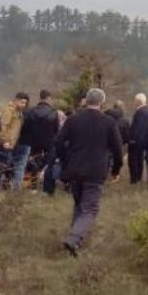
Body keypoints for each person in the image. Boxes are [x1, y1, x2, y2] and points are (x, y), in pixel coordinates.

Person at [55, 88, 123, 256]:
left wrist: (65, 160)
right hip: (96, 171)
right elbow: (118, 149)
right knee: (90, 208)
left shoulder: (73, 119)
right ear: (102, 102)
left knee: (79, 205)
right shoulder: (108, 122)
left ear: (86, 100)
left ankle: (74, 242)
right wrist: (116, 170)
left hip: (75, 168)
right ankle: (73, 239)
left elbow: (58, 141)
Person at [21, 90, 60, 191]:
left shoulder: (30, 111)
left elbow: (25, 128)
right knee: (49, 165)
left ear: (40, 97)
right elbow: (56, 130)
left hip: (32, 142)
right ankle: (47, 188)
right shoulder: (53, 113)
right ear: (48, 98)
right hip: (49, 143)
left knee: (32, 163)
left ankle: (32, 186)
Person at [0, 92, 30, 191]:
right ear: (16, 100)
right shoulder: (10, 110)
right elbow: (3, 126)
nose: (24, 105)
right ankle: (0, 187)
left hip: (11, 144)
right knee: (3, 165)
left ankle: (5, 187)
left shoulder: (18, 112)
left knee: (8, 166)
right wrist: (5, 140)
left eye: (25, 103)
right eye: (22, 102)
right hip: (5, 143)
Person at [127, 93, 148, 185]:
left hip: (136, 141)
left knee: (133, 160)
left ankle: (135, 179)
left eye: (135, 101)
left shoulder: (140, 112)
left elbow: (137, 128)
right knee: (139, 160)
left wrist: (131, 139)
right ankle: (139, 177)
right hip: (143, 140)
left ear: (138, 101)